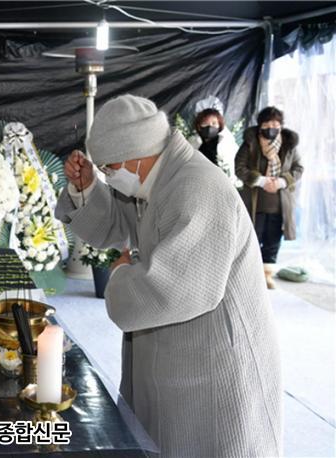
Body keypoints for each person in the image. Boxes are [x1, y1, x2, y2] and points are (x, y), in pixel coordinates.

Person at [56, 94, 282, 458]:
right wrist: (86, 188)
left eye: (109, 168)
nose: (108, 176)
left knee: (209, 443)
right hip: (174, 349)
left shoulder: (196, 188)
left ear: (135, 155)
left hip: (213, 359)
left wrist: (121, 273)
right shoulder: (155, 177)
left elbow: (171, 291)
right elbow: (113, 226)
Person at [235, 106, 303, 289]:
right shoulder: (251, 143)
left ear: (281, 126)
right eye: (267, 124)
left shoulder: (289, 145)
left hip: (280, 205)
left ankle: (267, 275)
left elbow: (298, 168)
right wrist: (261, 181)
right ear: (260, 125)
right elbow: (239, 167)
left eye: (275, 124)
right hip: (255, 203)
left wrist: (282, 181)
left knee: (273, 240)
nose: (271, 128)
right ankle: (250, 275)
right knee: (251, 240)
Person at [187, 104, 240, 187]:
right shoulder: (192, 142)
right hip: (197, 182)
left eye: (214, 123)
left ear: (219, 125)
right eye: (205, 123)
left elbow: (234, 166)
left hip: (221, 184)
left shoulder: (227, 143)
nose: (210, 127)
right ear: (199, 126)